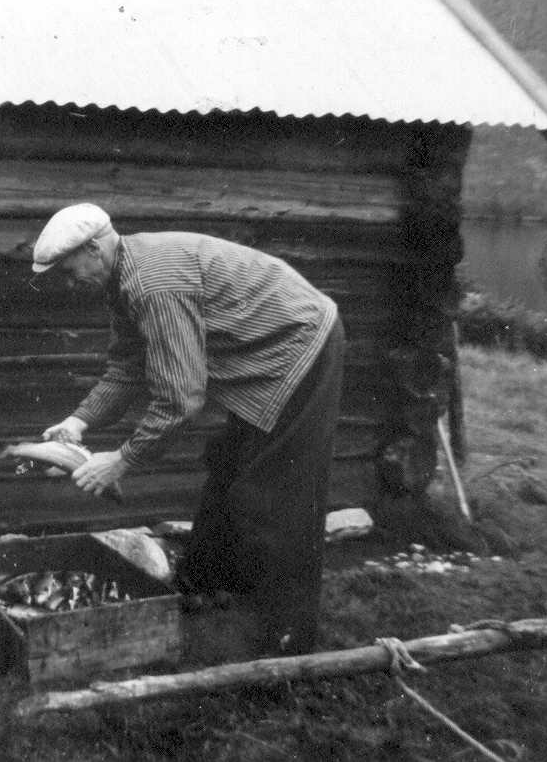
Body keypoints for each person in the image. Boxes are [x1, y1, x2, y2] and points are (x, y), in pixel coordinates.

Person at [32, 204, 345, 656]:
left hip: (300, 346)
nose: (67, 281)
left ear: (94, 249)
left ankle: (285, 640)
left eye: (67, 269)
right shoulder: (122, 280)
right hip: (263, 351)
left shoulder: (152, 285)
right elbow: (126, 366)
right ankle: (204, 590)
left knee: (273, 497)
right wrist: (79, 421)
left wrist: (121, 461)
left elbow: (181, 399)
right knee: (227, 466)